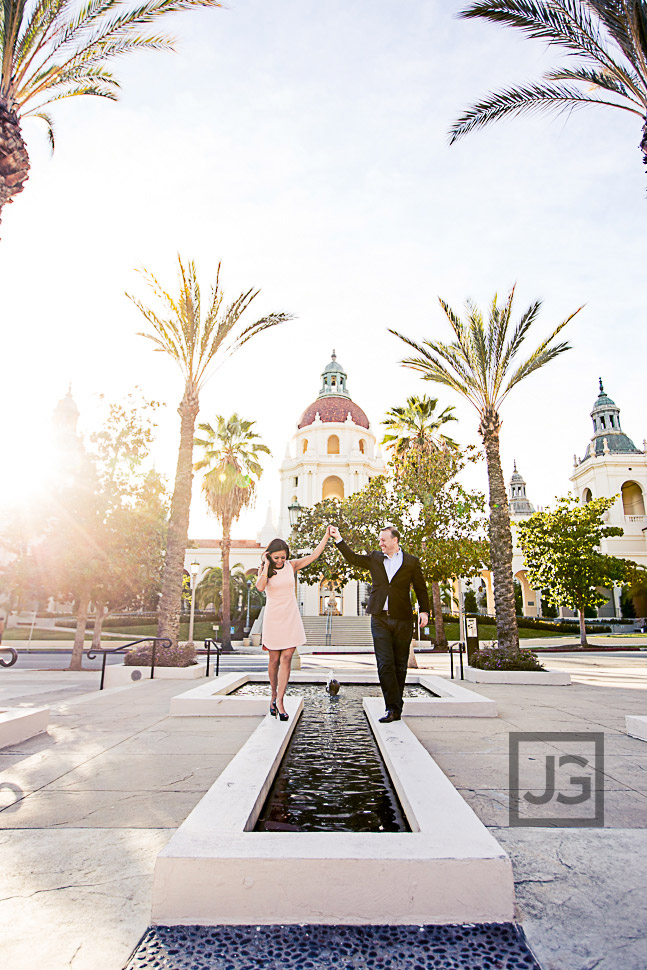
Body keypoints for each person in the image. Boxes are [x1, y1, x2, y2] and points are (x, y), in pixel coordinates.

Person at [329, 524, 429, 723]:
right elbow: (353, 558)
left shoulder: (411, 562)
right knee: (384, 664)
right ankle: (391, 708)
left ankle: (396, 707)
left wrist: (425, 610)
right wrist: (339, 538)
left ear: (395, 540)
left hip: (403, 619)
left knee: (400, 666)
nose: (380, 543)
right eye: (380, 540)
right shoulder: (375, 558)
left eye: (384, 539)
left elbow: (420, 587)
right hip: (380, 618)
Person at [256, 528, 332, 721]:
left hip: (290, 616)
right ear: (269, 556)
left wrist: (326, 535)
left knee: (287, 658)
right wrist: (266, 565)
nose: (280, 561)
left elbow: (315, 555)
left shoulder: (292, 566)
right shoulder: (266, 570)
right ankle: (273, 695)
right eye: (276, 558)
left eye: (283, 557)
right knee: (273, 661)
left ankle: (280, 701)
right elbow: (260, 587)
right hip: (273, 618)